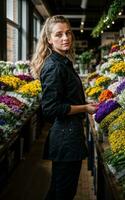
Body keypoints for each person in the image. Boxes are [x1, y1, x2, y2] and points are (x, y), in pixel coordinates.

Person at [31, 15, 97, 200]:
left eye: (68, 33)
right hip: (66, 138)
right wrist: (84, 108)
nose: (65, 38)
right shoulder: (54, 66)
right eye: (59, 34)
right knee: (63, 193)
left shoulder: (62, 62)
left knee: (60, 191)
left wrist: (84, 105)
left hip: (68, 135)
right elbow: (51, 109)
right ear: (49, 40)